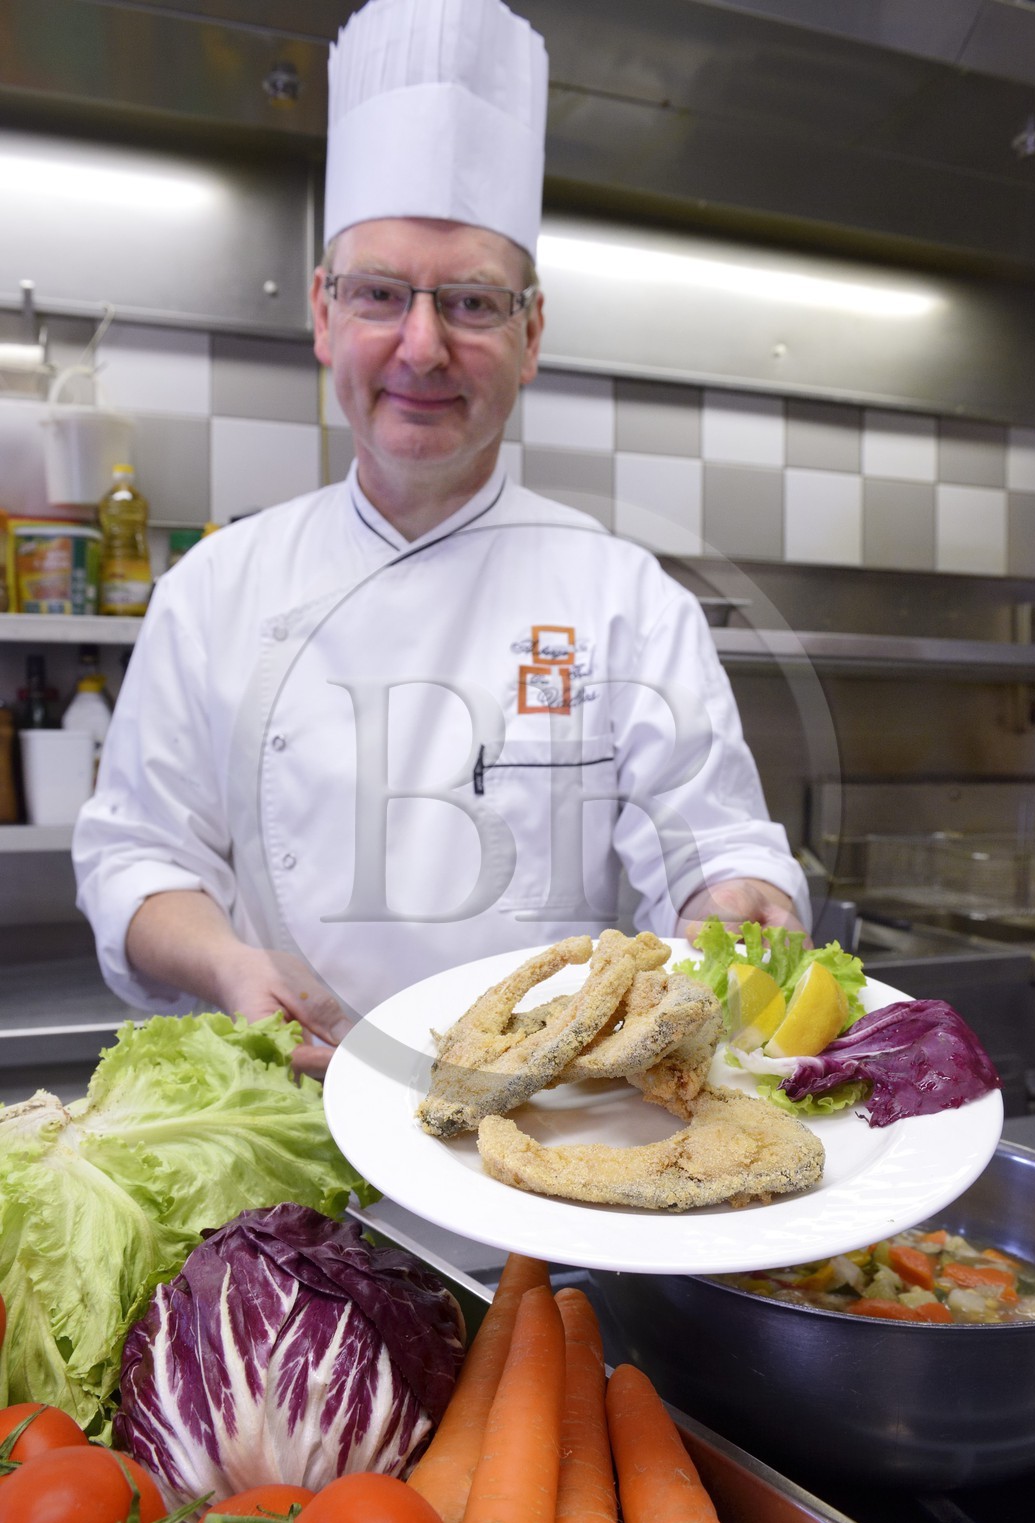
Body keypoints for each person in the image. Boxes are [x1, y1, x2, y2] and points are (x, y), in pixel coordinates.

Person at [73, 0, 809, 1074]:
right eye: (379, 295)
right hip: (295, 1146)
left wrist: (737, 904)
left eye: (469, 302)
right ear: (324, 315)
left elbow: (716, 849)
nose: (420, 347)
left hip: (547, 1159)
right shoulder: (217, 586)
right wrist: (231, 967)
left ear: (530, 335)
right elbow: (135, 856)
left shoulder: (623, 598)